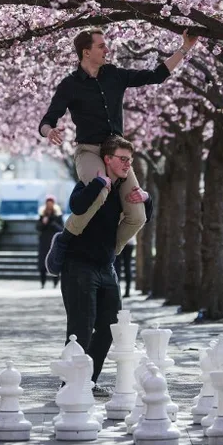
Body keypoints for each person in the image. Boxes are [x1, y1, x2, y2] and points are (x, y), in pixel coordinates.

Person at [39, 28, 196, 255]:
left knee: (137, 214)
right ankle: (65, 240)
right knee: (100, 188)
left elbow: (156, 75)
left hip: (118, 154)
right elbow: (47, 119)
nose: (107, 49)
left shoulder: (114, 75)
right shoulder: (70, 84)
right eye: (101, 46)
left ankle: (109, 252)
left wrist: (185, 48)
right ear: (86, 52)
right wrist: (49, 131)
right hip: (89, 152)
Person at [47, 135, 153, 397]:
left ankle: (89, 381)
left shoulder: (122, 192)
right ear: (107, 160)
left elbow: (141, 218)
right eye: (123, 159)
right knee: (80, 330)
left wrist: (147, 200)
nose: (128, 165)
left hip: (107, 267)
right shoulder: (91, 184)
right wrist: (97, 184)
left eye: (130, 160)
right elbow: (77, 205)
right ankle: (71, 385)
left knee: (110, 328)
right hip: (78, 265)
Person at [36, 195, 64, 289]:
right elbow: (38, 228)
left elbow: (61, 229)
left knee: (54, 262)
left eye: (51, 204)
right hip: (43, 243)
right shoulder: (42, 215)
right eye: (47, 204)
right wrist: (43, 223)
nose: (49, 206)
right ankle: (42, 283)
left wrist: (52, 223)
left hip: (53, 242)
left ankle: (55, 283)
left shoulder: (58, 216)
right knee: (42, 264)